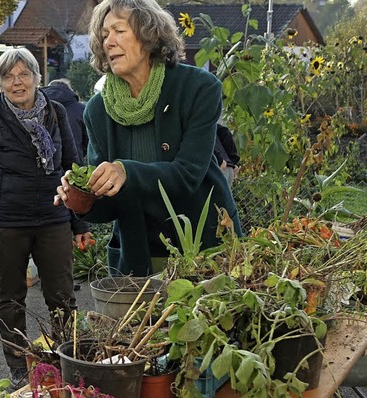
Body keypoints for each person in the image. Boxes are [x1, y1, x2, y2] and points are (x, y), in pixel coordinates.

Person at [55, 0, 242, 277]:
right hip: (139, 253)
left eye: (119, 31)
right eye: (104, 35)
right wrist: (82, 198)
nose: (109, 42)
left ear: (149, 35)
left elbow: (188, 175)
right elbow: (109, 204)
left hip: (204, 249)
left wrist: (125, 170)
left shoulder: (198, 88)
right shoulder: (98, 109)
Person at [0, 48, 90, 390]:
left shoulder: (55, 114)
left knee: (63, 297)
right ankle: (20, 369)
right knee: (10, 298)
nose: (16, 82)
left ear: (38, 78)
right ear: (0, 83)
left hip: (52, 218)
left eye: (23, 74)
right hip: (4, 223)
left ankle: (66, 360)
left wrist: (80, 223)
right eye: (8, 76)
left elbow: (73, 167)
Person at [41, 78, 88, 162]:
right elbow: (88, 140)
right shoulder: (81, 109)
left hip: (44, 164)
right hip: (74, 165)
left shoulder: (35, 107)